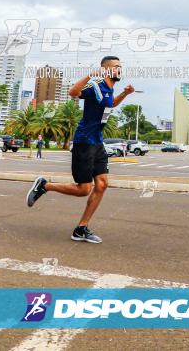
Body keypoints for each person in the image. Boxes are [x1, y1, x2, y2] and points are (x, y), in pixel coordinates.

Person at [26, 56, 134, 244]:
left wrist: (125, 94)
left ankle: (81, 229)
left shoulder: (109, 88)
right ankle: (45, 186)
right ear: (106, 69)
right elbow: (73, 92)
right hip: (84, 141)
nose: (120, 70)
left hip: (98, 142)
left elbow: (110, 104)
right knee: (84, 189)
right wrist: (90, 75)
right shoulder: (96, 85)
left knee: (101, 184)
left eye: (120, 67)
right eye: (116, 67)